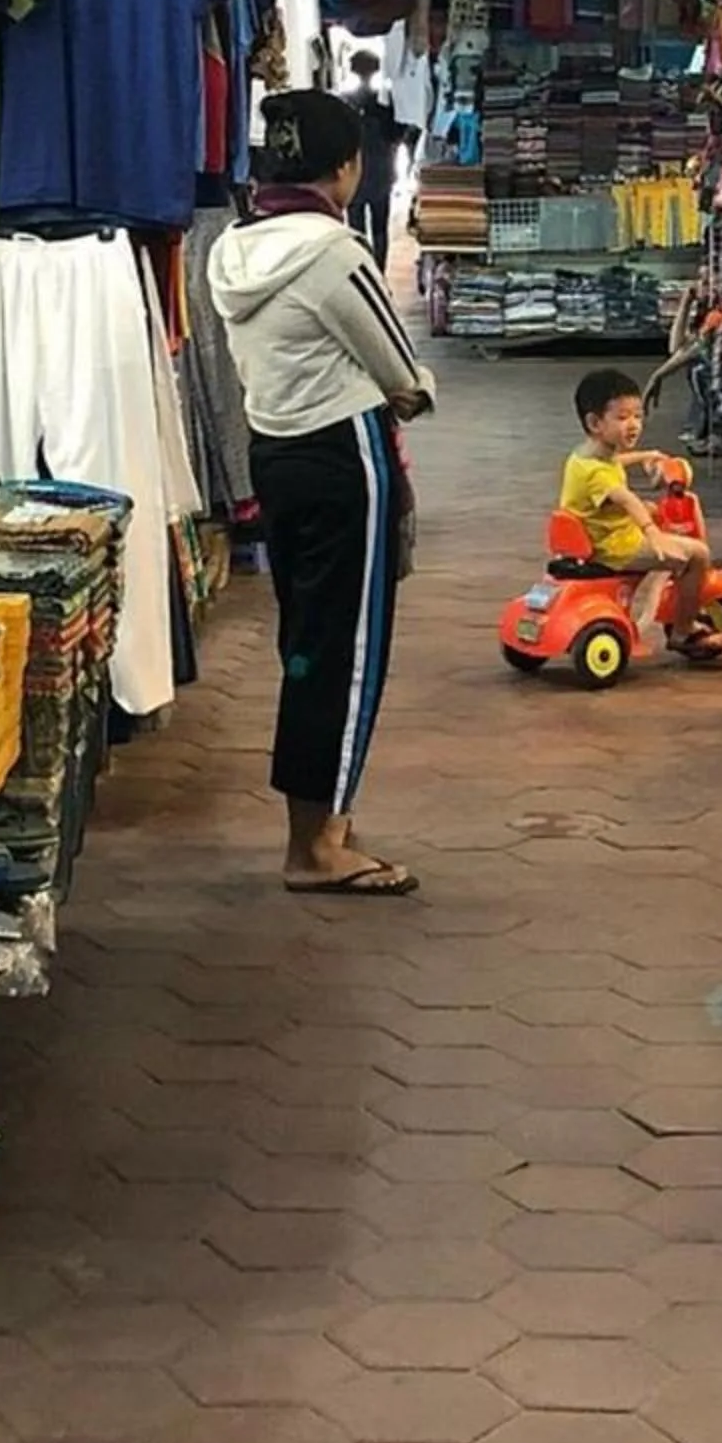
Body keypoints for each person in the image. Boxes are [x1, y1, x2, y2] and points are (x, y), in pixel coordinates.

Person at [208, 90, 435, 896]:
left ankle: (320, 819)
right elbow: (400, 371)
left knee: (307, 643)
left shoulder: (231, 248)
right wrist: (412, 393)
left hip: (274, 451)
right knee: (348, 648)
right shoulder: (335, 253)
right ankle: (317, 844)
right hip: (344, 455)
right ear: (347, 167)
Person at [559, 368, 722, 661]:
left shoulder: (585, 456)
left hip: (596, 534)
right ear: (594, 422)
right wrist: (651, 532)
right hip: (614, 546)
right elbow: (626, 499)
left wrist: (646, 455)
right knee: (698, 555)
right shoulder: (599, 474)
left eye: (638, 416)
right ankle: (683, 631)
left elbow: (614, 463)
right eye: (623, 417)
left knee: (652, 508)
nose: (634, 425)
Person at [343, 48, 418, 269]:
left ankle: (362, 274)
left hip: (353, 174)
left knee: (356, 230)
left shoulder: (345, 103)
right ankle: (380, 277)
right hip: (382, 172)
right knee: (380, 228)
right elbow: (400, 134)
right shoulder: (386, 102)